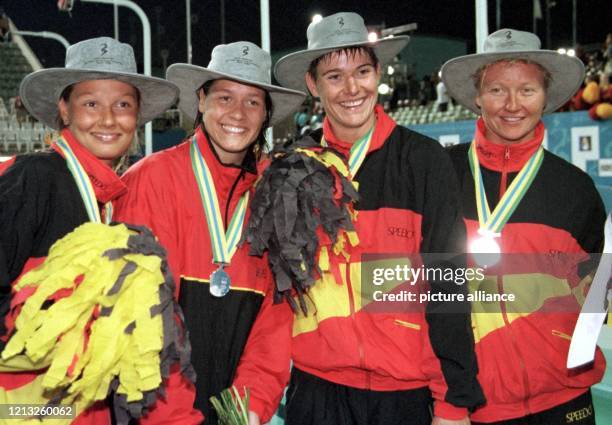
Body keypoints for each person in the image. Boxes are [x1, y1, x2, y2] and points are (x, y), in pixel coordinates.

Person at [274, 12, 484, 425]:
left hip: (403, 396)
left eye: (362, 71)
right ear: (313, 85)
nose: (351, 88)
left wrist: (452, 402)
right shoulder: (292, 169)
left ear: (379, 73)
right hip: (315, 392)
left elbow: (449, 284)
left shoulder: (425, 161)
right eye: (334, 76)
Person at [113, 41, 305, 425]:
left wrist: (246, 410)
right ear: (201, 100)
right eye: (225, 97)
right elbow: (135, 321)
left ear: (267, 113)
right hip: (154, 413)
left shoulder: (278, 194)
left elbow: (276, 322)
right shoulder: (149, 180)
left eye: (253, 102)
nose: (238, 113)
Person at [0, 36, 179, 424]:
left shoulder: (110, 202)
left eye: (123, 105)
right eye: (91, 103)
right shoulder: (33, 178)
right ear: (64, 110)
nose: (108, 119)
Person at [441, 28, 606, 424]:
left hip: (564, 401)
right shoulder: (441, 175)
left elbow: (600, 290)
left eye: (527, 91)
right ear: (477, 97)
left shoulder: (575, 189)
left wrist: (569, 347)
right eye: (497, 90)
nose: (512, 105)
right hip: (472, 403)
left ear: (545, 97)